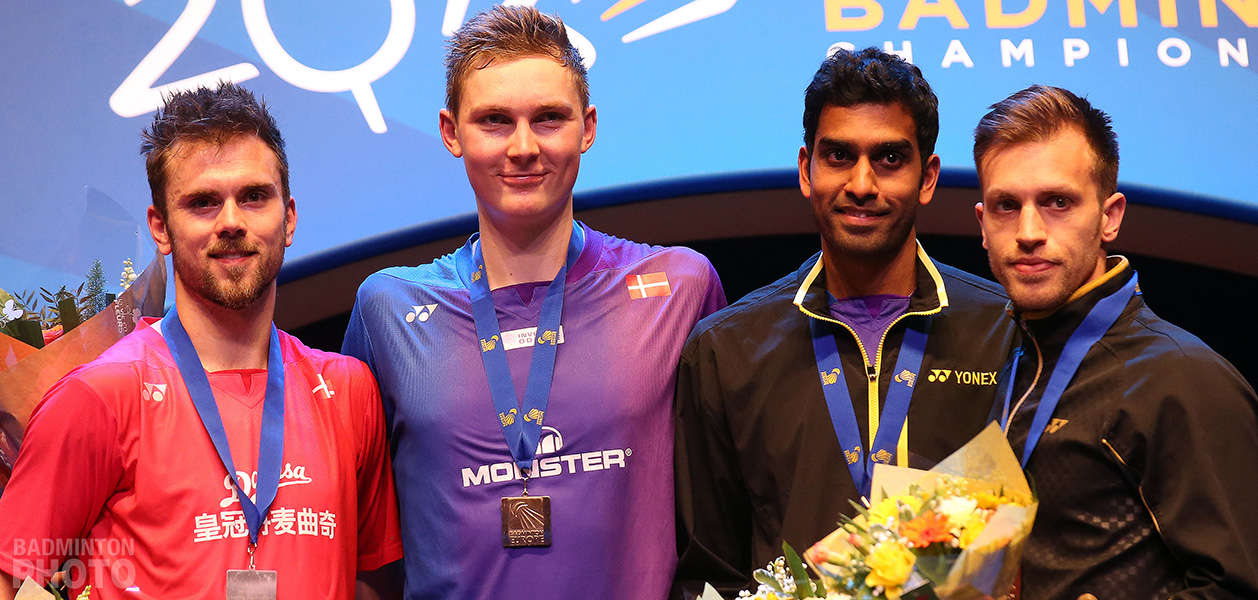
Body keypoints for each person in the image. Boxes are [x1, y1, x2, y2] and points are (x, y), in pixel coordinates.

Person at [341, 6, 725, 600]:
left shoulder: (678, 288)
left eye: (549, 118)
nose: (523, 147)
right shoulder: (388, 309)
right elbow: (364, 544)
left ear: (587, 127)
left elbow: (724, 519)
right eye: (495, 121)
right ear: (451, 132)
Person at [0, 83, 402, 600]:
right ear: (160, 228)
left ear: (289, 218)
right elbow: (10, 576)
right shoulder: (99, 398)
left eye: (253, 196)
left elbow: (372, 579)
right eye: (203, 203)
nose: (231, 222)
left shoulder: (348, 391)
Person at [672, 47, 1017, 597]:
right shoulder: (726, 349)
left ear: (927, 177)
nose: (861, 183)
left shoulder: (1005, 331)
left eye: (889, 159)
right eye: (838, 156)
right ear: (806, 170)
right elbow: (709, 576)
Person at [974, 84, 1258, 600]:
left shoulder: (1183, 377)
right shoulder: (1006, 357)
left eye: (1058, 202)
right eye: (1006, 205)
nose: (1029, 231)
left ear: (1110, 217)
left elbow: (1238, 588)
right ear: (982, 223)